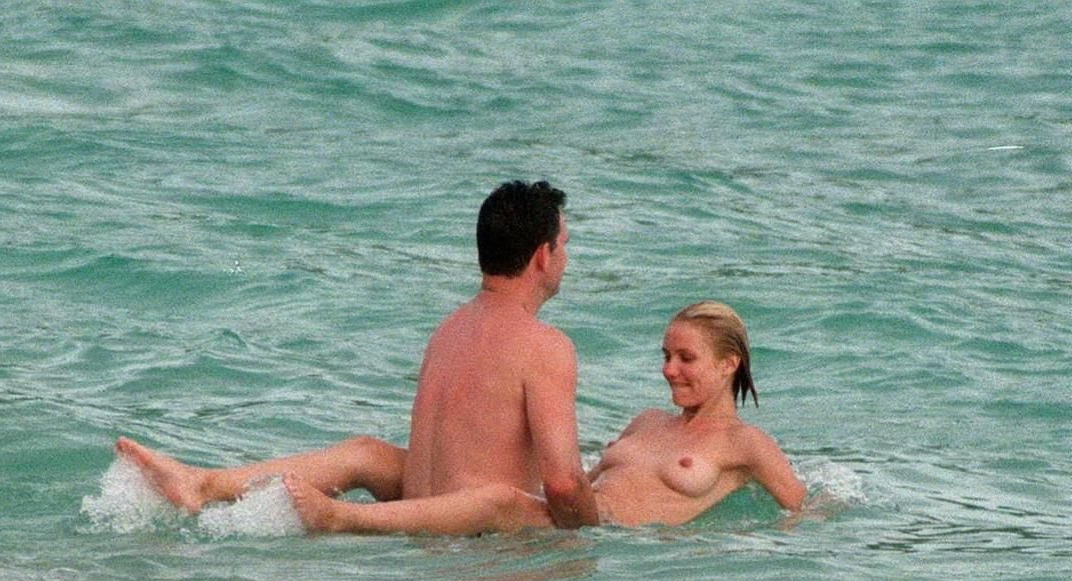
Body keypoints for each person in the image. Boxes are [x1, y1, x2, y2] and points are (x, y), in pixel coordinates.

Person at [116, 180, 597, 528]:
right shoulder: (545, 344)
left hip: (429, 505)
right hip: (468, 533)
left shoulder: (449, 330)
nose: (566, 258)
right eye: (564, 245)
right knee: (508, 500)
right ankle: (341, 517)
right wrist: (598, 537)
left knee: (369, 454)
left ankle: (205, 484)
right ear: (542, 256)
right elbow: (563, 485)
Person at [283, 301, 806, 534]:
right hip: (578, 517)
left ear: (729, 363)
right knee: (372, 455)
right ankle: (241, 492)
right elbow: (579, 483)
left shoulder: (746, 445)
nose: (669, 369)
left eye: (685, 358)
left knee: (496, 501)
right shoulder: (647, 422)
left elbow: (805, 511)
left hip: (611, 534)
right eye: (665, 355)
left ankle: (342, 519)